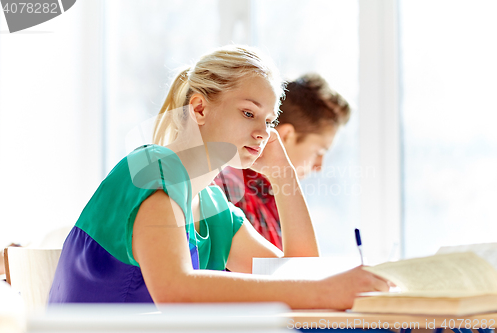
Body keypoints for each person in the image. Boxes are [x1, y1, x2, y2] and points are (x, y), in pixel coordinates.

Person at [48, 45, 388, 309]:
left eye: (269, 121)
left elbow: (300, 273)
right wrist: (322, 292)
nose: (262, 133)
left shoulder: (212, 207)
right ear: (199, 109)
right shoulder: (152, 169)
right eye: (248, 113)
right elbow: (176, 291)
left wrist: (282, 174)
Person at [214, 74, 350, 249]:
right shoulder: (231, 192)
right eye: (318, 152)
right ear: (286, 136)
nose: (319, 167)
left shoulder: (276, 198)